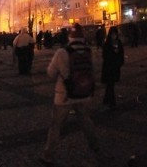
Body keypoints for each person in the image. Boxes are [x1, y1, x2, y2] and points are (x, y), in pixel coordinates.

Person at [40, 23, 99, 166]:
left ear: (69, 36)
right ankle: (95, 146)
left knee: (56, 125)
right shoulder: (89, 50)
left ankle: (48, 155)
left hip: (64, 95)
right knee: (86, 120)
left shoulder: (62, 52)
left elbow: (50, 73)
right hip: (83, 93)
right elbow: (93, 70)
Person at [101, 26, 124, 109]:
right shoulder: (107, 43)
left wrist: (120, 62)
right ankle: (112, 101)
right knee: (110, 85)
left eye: (115, 33)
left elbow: (121, 55)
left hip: (115, 67)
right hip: (108, 67)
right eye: (112, 34)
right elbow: (104, 55)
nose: (113, 35)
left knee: (110, 85)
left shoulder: (119, 43)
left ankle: (106, 100)